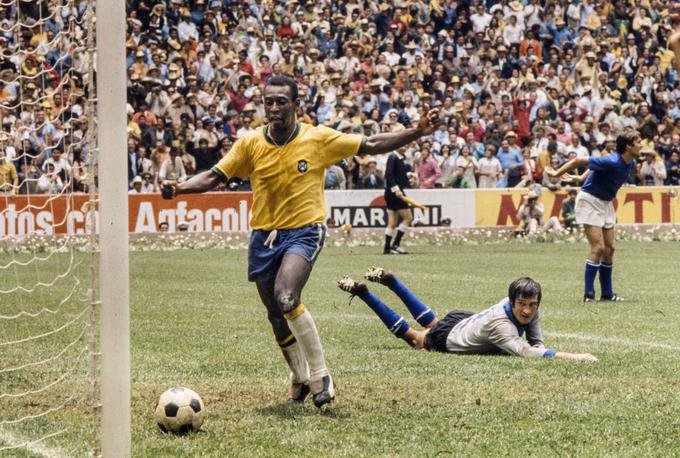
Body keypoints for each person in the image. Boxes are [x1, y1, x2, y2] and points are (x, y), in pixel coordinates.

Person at [161, 75, 441, 408]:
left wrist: (416, 131)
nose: (275, 108)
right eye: (269, 102)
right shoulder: (250, 143)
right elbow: (214, 176)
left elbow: (371, 144)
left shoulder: (318, 138)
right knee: (276, 315)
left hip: (305, 230)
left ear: (297, 105)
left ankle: (321, 375)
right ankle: (299, 376)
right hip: (264, 235)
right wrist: (179, 188)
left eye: (282, 101)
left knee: (286, 295)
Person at [336, 267, 597, 362]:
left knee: (432, 322)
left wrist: (538, 341)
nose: (527, 310)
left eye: (532, 305)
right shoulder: (502, 326)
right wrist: (574, 356)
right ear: (512, 301)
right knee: (416, 338)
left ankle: (394, 283)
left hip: (463, 320)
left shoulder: (523, 304)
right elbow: (527, 352)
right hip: (451, 338)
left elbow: (535, 337)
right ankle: (364, 294)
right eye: (522, 305)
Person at [546, 132, 642, 302]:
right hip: (589, 200)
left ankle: (607, 294)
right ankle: (588, 294)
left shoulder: (630, 162)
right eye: (638, 142)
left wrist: (581, 177)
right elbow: (578, 161)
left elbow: (594, 166)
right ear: (628, 146)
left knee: (610, 248)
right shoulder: (611, 161)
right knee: (598, 247)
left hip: (605, 203)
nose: (642, 145)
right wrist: (555, 174)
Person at [383, 147, 414, 255]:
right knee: (408, 217)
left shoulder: (399, 158)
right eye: (403, 144)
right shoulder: (393, 157)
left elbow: (397, 175)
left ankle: (387, 248)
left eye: (406, 145)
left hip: (390, 192)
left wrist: (409, 176)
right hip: (395, 192)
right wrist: (396, 190)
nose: (405, 147)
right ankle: (395, 244)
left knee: (392, 222)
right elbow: (389, 175)